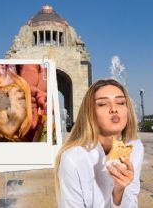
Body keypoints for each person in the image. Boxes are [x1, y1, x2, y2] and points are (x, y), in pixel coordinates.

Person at [54, 79, 144, 208]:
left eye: (120, 102)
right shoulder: (73, 158)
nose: (114, 109)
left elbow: (132, 200)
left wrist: (119, 191)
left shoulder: (135, 147)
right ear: (89, 113)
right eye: (102, 104)